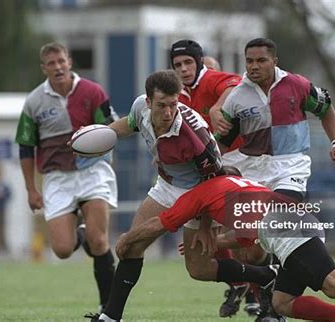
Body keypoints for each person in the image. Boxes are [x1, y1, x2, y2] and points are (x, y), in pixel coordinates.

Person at [92, 70, 278, 322]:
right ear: (148, 102)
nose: (169, 112)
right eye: (162, 105)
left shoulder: (195, 137)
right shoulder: (139, 108)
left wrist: (205, 226)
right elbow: (126, 125)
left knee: (199, 269)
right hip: (167, 186)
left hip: (200, 194)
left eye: (173, 105)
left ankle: (265, 275)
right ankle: (111, 317)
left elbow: (215, 181)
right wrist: (97, 137)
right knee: (131, 247)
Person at [115, 172, 335, 322]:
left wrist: (129, 239)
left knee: (334, 284)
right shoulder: (239, 186)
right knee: (282, 303)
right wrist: (219, 240)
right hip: (292, 221)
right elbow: (247, 237)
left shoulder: (200, 192)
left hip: (284, 227)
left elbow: (161, 223)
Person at [15, 42, 118, 312]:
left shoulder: (93, 91)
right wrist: (30, 189)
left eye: (61, 61)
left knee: (100, 241)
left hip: (92, 171)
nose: (58, 67)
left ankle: (108, 309)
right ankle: (81, 235)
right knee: (61, 249)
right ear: (44, 68)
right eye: (51, 63)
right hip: (56, 178)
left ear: (69, 61)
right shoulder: (34, 102)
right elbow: (26, 147)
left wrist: (96, 144)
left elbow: (110, 129)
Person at [171, 40, 266, 318]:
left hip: (241, 164)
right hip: (211, 168)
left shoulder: (221, 86)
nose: (186, 70)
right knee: (215, 234)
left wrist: (217, 108)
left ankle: (257, 291)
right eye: (179, 65)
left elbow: (234, 85)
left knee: (250, 244)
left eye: (190, 64)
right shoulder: (181, 97)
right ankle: (244, 286)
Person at [217, 37, 335, 203]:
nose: (254, 66)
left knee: (282, 211)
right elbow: (223, 141)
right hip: (252, 168)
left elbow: (326, 111)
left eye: (261, 60)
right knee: (252, 225)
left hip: (290, 165)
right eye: (249, 61)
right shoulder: (236, 97)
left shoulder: (297, 85)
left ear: (275, 61)